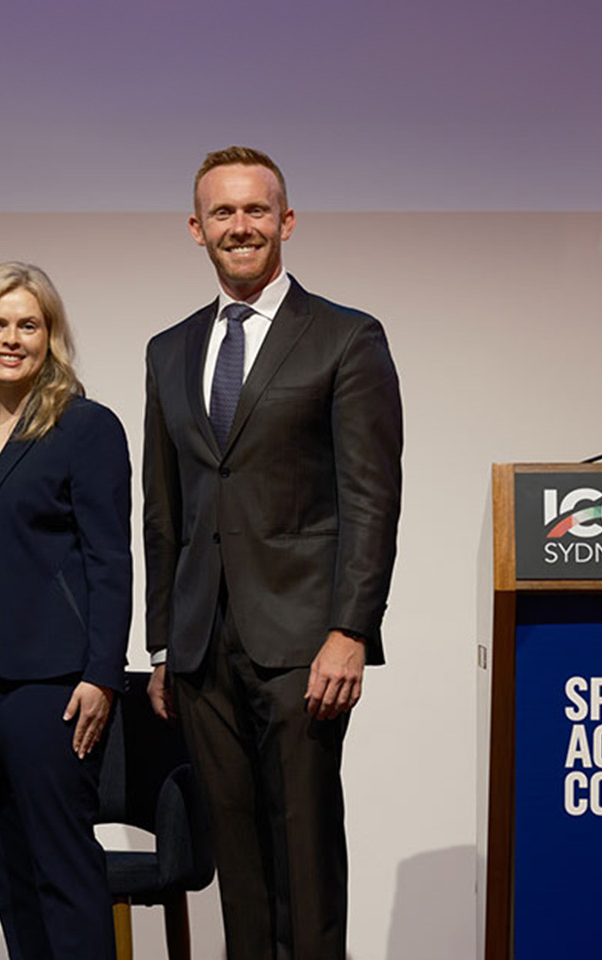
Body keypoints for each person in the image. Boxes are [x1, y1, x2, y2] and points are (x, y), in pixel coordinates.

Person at [143, 146, 402, 959]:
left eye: (257, 210)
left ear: (286, 222)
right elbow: (162, 509)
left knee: (305, 853)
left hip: (304, 643)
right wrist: (162, 643)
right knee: (238, 863)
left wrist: (351, 630)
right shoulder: (169, 349)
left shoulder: (345, 338)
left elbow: (371, 498)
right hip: (199, 646)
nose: (240, 226)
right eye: (223, 213)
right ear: (196, 229)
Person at [0, 262, 131, 960]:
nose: (12, 339)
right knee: (6, 868)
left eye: (29, 324)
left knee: (62, 865)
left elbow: (110, 560)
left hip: (50, 681)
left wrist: (102, 675)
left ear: (50, 336)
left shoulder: (84, 427)